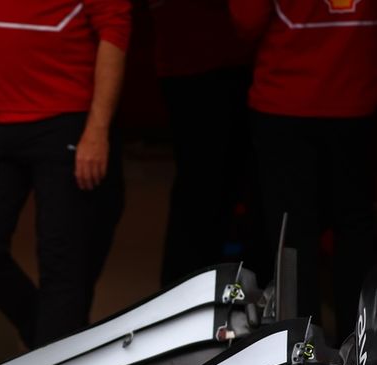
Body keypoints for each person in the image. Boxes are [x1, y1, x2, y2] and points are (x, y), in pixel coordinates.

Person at [0, 0, 130, 347]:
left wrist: (98, 129)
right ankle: (49, 340)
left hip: (65, 117)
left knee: (62, 261)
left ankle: (55, 359)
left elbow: (115, 31)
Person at [231, 0, 377, 340]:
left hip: (286, 98)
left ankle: (303, 353)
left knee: (293, 238)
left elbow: (245, 21)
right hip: (357, 95)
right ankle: (362, 349)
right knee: (356, 231)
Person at [151, 0, 257, 285]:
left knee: (225, 190)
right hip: (195, 61)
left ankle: (212, 287)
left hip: (235, 59)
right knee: (200, 191)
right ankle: (184, 292)